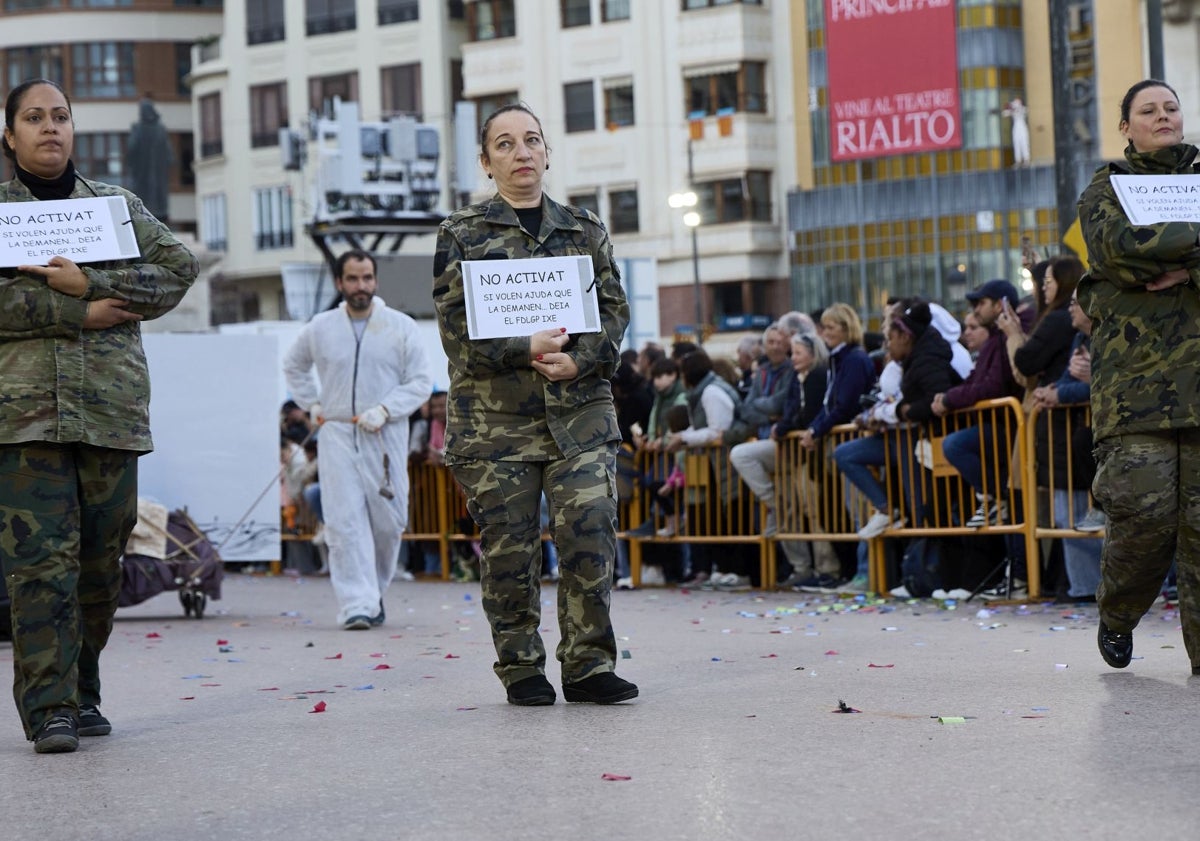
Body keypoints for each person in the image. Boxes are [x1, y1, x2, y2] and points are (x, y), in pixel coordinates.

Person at [0, 78, 197, 753]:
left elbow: (177, 270)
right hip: (24, 420)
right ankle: (49, 707)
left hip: (111, 413)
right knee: (38, 567)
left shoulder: (115, 208)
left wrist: (94, 281)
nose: (49, 127)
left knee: (99, 564)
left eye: (60, 116)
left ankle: (81, 688)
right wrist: (75, 311)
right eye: (33, 117)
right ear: (10, 135)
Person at [432, 103, 637, 706]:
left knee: (591, 535)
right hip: (495, 428)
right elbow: (457, 330)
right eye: (505, 144)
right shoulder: (462, 234)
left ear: (547, 152)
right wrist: (525, 347)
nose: (521, 153)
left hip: (580, 416)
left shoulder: (584, 229)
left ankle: (588, 666)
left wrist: (583, 357)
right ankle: (521, 665)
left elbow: (615, 311)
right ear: (486, 162)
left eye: (532, 141)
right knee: (510, 550)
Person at [1076, 78, 1200, 674]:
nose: (1163, 117)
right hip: (1135, 397)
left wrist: (1176, 268)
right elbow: (1117, 249)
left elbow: (1143, 252)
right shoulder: (1107, 188)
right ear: (1126, 126)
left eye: (1171, 108)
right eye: (1148, 110)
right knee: (1144, 521)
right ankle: (1118, 612)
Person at [283, 249, 433, 630]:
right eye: (352, 278)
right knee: (344, 519)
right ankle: (356, 603)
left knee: (388, 520)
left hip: (385, 436)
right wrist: (313, 403)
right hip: (335, 434)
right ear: (339, 283)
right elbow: (294, 364)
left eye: (366, 277)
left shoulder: (401, 326)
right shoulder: (320, 327)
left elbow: (419, 382)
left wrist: (385, 409)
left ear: (376, 280)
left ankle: (373, 591)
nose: (360, 286)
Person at [932, 279, 1029, 528]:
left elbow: (992, 386)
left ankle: (999, 496)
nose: (976, 309)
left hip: (1010, 426)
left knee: (954, 445)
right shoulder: (994, 342)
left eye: (981, 303)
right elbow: (974, 380)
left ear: (1000, 306)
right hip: (1001, 426)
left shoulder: (1005, 337)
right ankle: (997, 498)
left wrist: (949, 399)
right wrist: (947, 397)